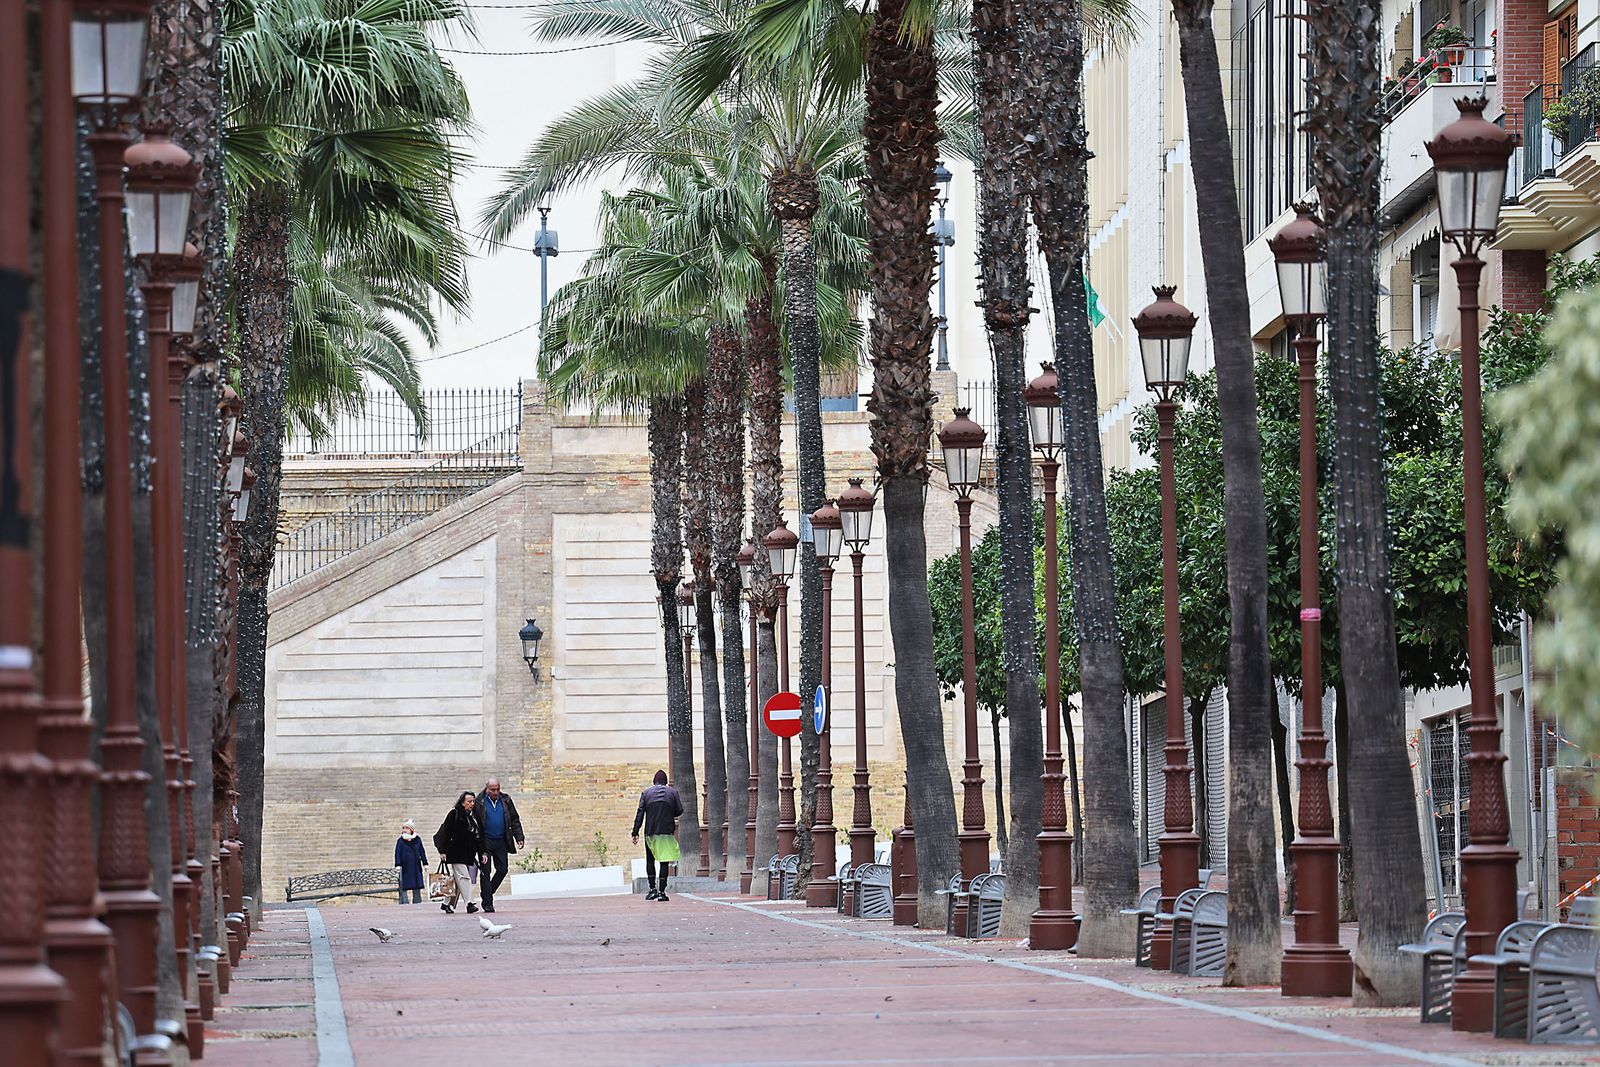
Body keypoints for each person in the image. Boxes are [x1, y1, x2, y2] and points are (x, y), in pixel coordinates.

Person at [631, 770, 683, 902]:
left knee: (650, 860)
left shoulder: (646, 793)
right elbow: (679, 810)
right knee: (664, 861)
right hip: (666, 831)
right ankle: (662, 892)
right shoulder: (673, 793)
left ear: (654, 782)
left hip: (650, 832)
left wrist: (635, 832)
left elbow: (640, 814)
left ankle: (652, 889)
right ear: (665, 782)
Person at [475, 778, 525, 914]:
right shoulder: (479, 802)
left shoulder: (506, 800)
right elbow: (475, 822)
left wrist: (519, 837)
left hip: (501, 841)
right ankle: (488, 904)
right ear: (487, 789)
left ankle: (487, 893)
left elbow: (514, 819)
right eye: (493, 790)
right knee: (485, 872)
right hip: (485, 842)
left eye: (498, 789)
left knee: (502, 869)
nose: (496, 792)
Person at [434, 791, 485, 914]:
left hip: (466, 854)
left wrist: (481, 853)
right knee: (464, 877)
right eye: (469, 801)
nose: (471, 804)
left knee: (457, 880)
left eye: (473, 801)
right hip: (455, 853)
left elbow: (477, 837)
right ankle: (469, 903)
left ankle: (446, 904)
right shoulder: (454, 814)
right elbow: (445, 832)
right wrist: (442, 850)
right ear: (462, 802)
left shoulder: (472, 817)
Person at [394, 818, 428, 904]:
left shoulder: (417, 839)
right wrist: (398, 865)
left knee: (416, 887)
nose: (404, 830)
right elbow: (397, 853)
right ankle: (404, 903)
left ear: (411, 830)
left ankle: (417, 903)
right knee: (404, 886)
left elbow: (422, 851)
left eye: (406, 828)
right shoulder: (400, 841)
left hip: (416, 867)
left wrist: (425, 863)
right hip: (405, 868)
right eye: (404, 828)